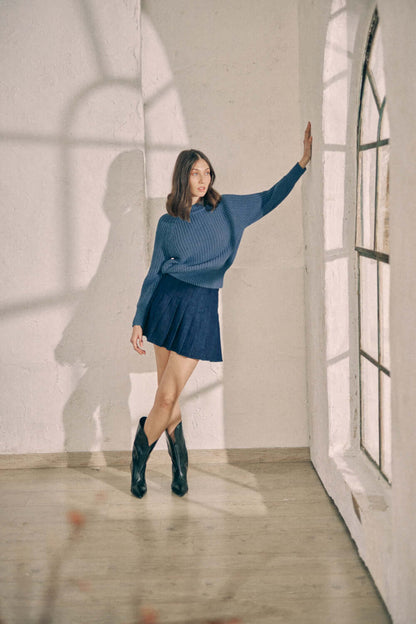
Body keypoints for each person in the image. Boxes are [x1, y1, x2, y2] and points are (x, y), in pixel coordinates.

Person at [130, 123, 312, 498]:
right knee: (170, 397)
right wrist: (137, 319)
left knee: (164, 398)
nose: (203, 178)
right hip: (166, 302)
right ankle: (181, 471)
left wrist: (302, 164)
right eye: (195, 172)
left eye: (207, 172)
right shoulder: (168, 224)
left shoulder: (227, 209)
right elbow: (153, 273)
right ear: (183, 177)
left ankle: (138, 456)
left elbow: (268, 197)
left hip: (199, 308)